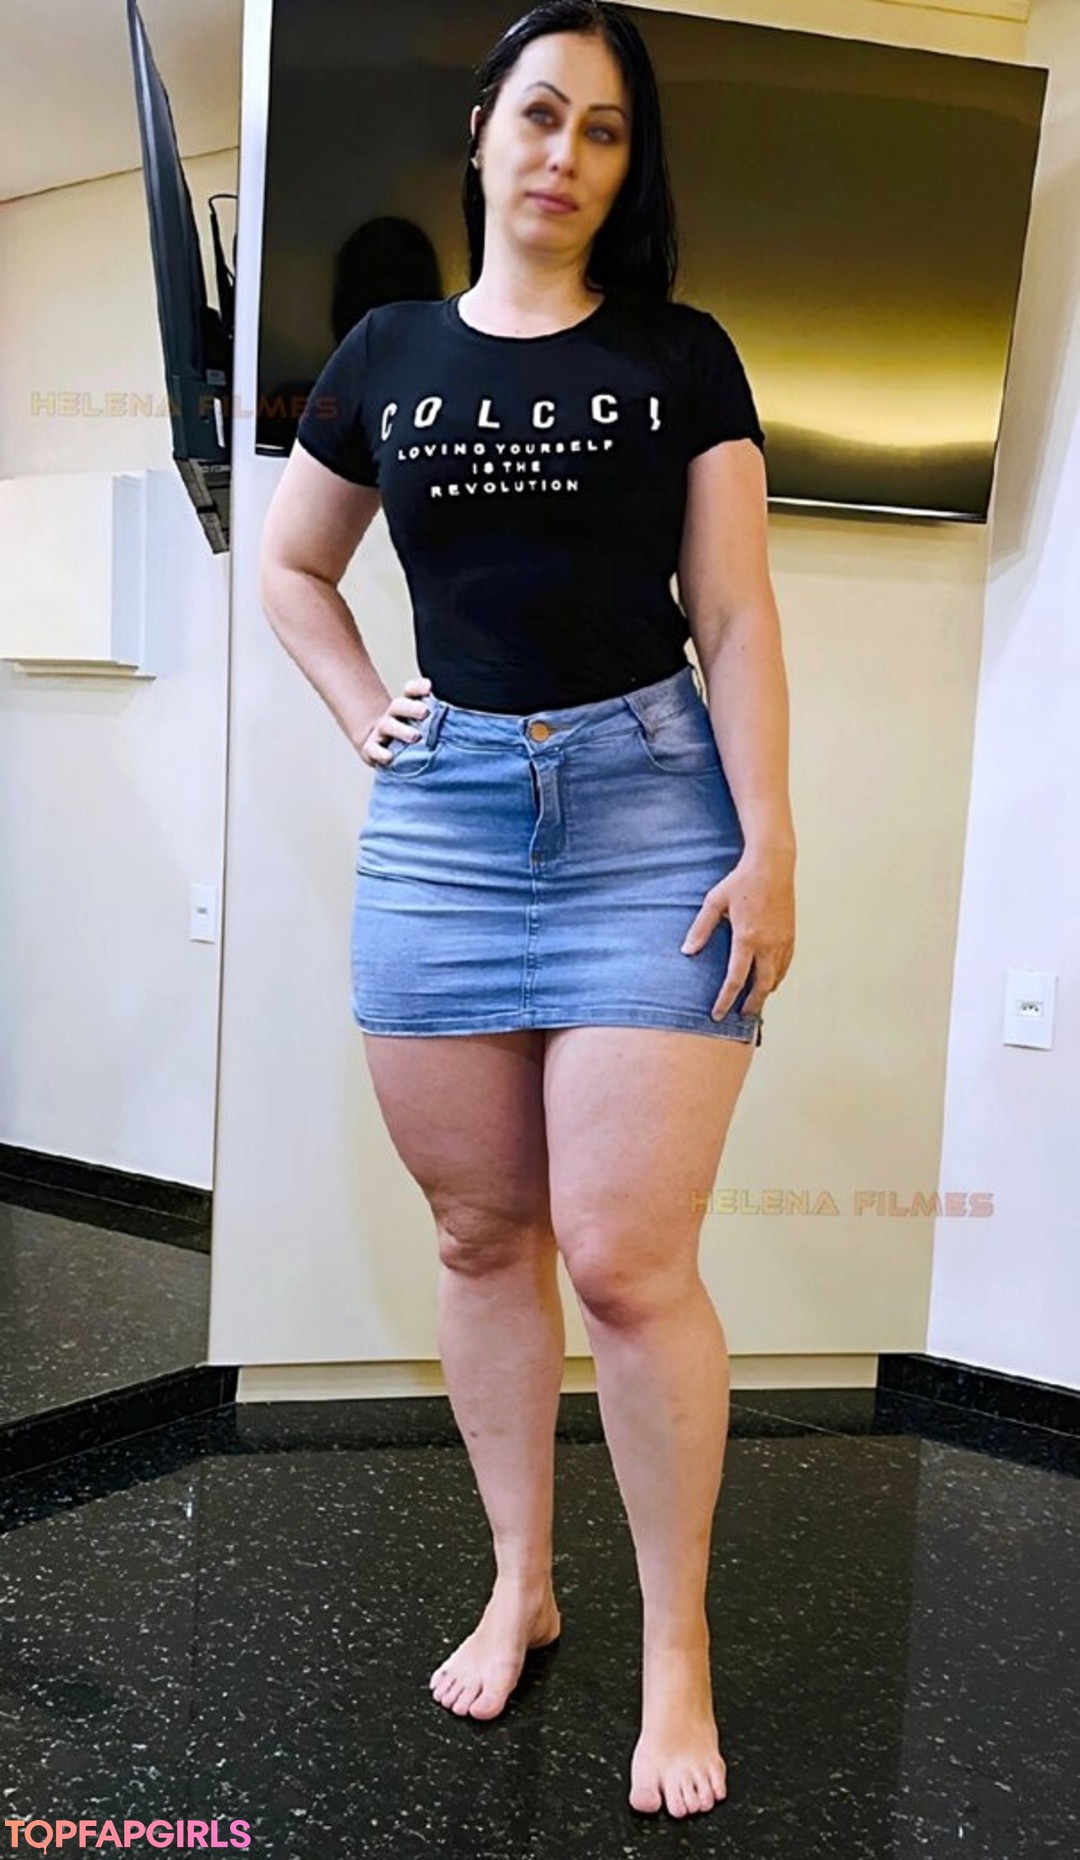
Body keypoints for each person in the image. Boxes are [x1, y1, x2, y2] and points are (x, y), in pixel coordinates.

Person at [260, 0, 796, 1822]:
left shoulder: (679, 356)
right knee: (485, 1238)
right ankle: (522, 1583)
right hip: (447, 825)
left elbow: (735, 615)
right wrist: (364, 711)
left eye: (608, 131)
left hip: (651, 811)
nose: (567, 153)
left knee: (630, 1265)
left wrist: (771, 838)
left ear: (629, 169)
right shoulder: (388, 353)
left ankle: (675, 1650)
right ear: (485, 127)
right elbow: (293, 566)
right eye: (543, 114)